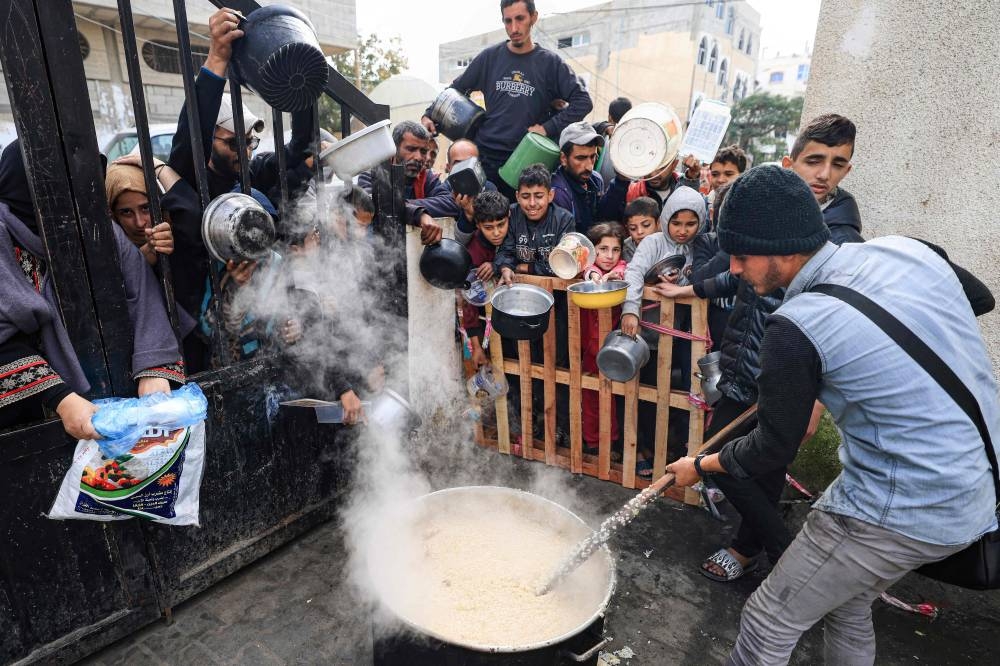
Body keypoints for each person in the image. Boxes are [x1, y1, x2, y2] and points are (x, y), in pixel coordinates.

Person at [665, 165, 999, 665]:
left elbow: (773, 448)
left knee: (768, 621)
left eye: (741, 254)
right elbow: (980, 298)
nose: (732, 268)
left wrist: (702, 465)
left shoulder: (797, 325)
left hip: (899, 507)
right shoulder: (910, 251)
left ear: (782, 247)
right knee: (846, 602)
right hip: (977, 486)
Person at [0, 140, 184, 438]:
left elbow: (141, 291)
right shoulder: (4, 235)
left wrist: (154, 369)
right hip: (23, 420)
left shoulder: (94, 227)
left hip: (110, 394)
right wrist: (60, 398)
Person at [165, 7, 315, 371]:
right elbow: (191, 136)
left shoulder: (250, 177)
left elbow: (297, 152)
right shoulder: (189, 176)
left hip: (253, 337)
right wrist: (217, 58)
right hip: (196, 334)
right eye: (234, 143)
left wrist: (303, 82)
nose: (244, 151)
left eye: (250, 141)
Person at [420, 0, 593, 198]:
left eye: (520, 19)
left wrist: (547, 128)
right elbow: (454, 90)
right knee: (481, 221)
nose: (514, 28)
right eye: (507, 21)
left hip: (524, 162)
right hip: (485, 158)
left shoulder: (550, 64)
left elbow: (583, 101)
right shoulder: (489, 58)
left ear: (533, 18)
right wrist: (428, 114)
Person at [580, 222, 626, 453]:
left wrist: (617, 274)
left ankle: (613, 439)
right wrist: (597, 274)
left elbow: (626, 270)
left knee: (613, 395)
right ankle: (592, 441)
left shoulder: (623, 269)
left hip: (614, 347)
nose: (609, 255)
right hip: (589, 347)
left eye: (615, 249)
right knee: (590, 395)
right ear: (592, 250)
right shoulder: (588, 270)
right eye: (603, 249)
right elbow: (588, 271)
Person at [783, 113, 863, 244]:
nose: (824, 175)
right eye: (813, 162)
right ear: (788, 166)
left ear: (846, 171)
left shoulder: (843, 246)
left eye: (837, 165)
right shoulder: (759, 207)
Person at [495, 163, 574, 282]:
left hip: (556, 292)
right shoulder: (512, 214)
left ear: (550, 195)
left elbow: (564, 264)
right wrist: (505, 268)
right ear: (517, 196)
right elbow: (505, 251)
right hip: (517, 288)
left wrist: (525, 267)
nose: (532, 203)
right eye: (525, 196)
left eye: (539, 196)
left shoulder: (564, 219)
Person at [460, 190, 510, 368]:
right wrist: (476, 346)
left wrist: (496, 265)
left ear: (509, 215)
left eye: (501, 224)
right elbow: (469, 302)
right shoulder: (473, 252)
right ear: (478, 225)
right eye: (489, 228)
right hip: (493, 324)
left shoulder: (515, 234)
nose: (496, 233)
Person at [104, 155, 179, 266]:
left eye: (146, 208)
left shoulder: (179, 229)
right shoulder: (107, 253)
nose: (139, 223)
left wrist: (160, 168)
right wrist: (146, 254)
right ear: (113, 214)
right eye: (126, 212)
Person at [550, 121, 609, 234]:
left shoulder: (596, 179)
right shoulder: (559, 194)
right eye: (581, 158)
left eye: (593, 157)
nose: (589, 166)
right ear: (563, 158)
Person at [621, 196, 659, 262]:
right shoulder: (624, 250)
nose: (640, 232)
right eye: (633, 228)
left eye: (646, 225)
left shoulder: (669, 243)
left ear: (658, 223)